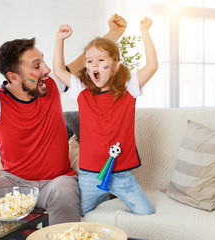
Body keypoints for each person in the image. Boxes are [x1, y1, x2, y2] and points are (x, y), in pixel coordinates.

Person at [0, 14, 127, 225]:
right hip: (14, 184)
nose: (46, 69)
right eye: (36, 66)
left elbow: (85, 62)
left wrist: (114, 33)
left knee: (64, 189)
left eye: (42, 61)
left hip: (57, 182)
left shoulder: (49, 85)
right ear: (14, 77)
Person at [53, 17, 158, 216]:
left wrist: (144, 31)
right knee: (79, 216)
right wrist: (60, 39)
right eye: (90, 61)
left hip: (122, 176)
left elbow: (151, 66)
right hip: (89, 176)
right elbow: (59, 71)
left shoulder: (129, 89)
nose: (94, 65)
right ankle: (101, 197)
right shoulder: (81, 90)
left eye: (101, 61)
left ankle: (106, 197)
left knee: (146, 213)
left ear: (116, 65)